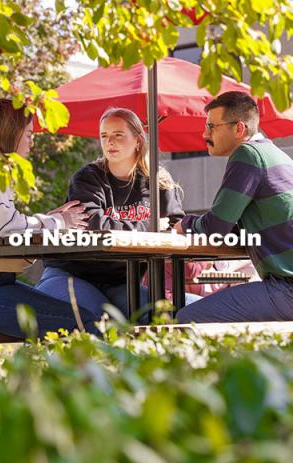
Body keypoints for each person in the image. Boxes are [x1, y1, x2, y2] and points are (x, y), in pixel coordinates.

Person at [0, 98, 101, 338]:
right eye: (28, 135)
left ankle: (44, 374)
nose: (32, 142)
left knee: (70, 321)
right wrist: (59, 222)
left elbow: (7, 225)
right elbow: (8, 231)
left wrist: (48, 220)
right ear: (10, 133)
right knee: (84, 322)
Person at [35, 107, 200, 323]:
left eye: (118, 135)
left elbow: (175, 229)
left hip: (122, 282)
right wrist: (152, 227)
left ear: (138, 140)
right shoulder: (88, 178)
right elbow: (93, 225)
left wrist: (160, 228)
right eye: (104, 136)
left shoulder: (159, 182)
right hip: (71, 274)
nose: (109, 141)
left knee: (165, 316)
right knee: (94, 320)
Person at [173, 91, 293, 322]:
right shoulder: (275, 154)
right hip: (283, 286)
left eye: (212, 127)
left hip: (286, 288)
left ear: (239, 129)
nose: (205, 134)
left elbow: (215, 228)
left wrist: (183, 224)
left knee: (186, 319)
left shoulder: (248, 154)